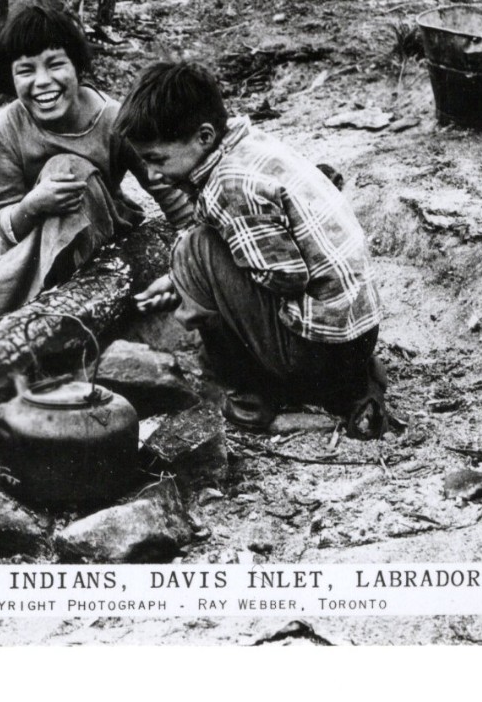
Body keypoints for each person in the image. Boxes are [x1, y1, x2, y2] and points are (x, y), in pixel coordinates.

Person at [113, 61, 391, 438]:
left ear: (204, 137)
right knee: (201, 257)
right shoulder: (248, 144)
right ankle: (354, 388)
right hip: (355, 337)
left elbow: (286, 278)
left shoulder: (229, 185)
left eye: (156, 159)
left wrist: (202, 282)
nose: (150, 175)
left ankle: (249, 407)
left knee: (194, 249)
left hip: (319, 348)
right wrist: (191, 282)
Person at [0, 6, 193, 336]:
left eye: (55, 64)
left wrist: (193, 242)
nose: (43, 82)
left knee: (67, 169)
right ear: (11, 78)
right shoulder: (6, 129)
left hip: (95, 231)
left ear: (77, 67)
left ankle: (39, 313)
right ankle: (4, 318)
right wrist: (34, 204)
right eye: (26, 71)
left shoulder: (113, 120)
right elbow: (2, 219)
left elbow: (164, 187)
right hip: (23, 233)